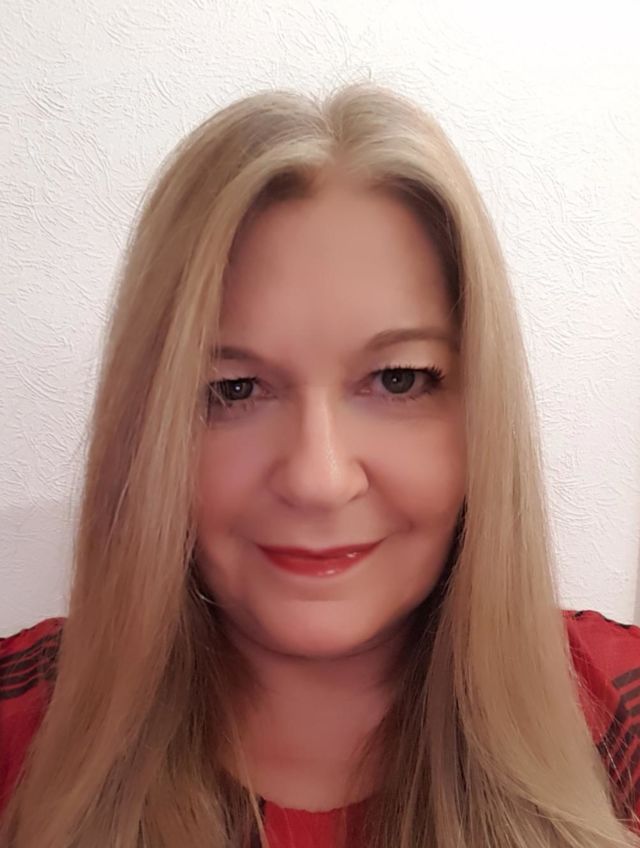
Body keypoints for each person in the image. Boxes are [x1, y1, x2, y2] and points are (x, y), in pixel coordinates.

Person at [0, 82, 638, 848]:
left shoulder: (620, 712)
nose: (318, 478)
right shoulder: (18, 726)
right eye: (234, 389)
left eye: (398, 380)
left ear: (481, 417)